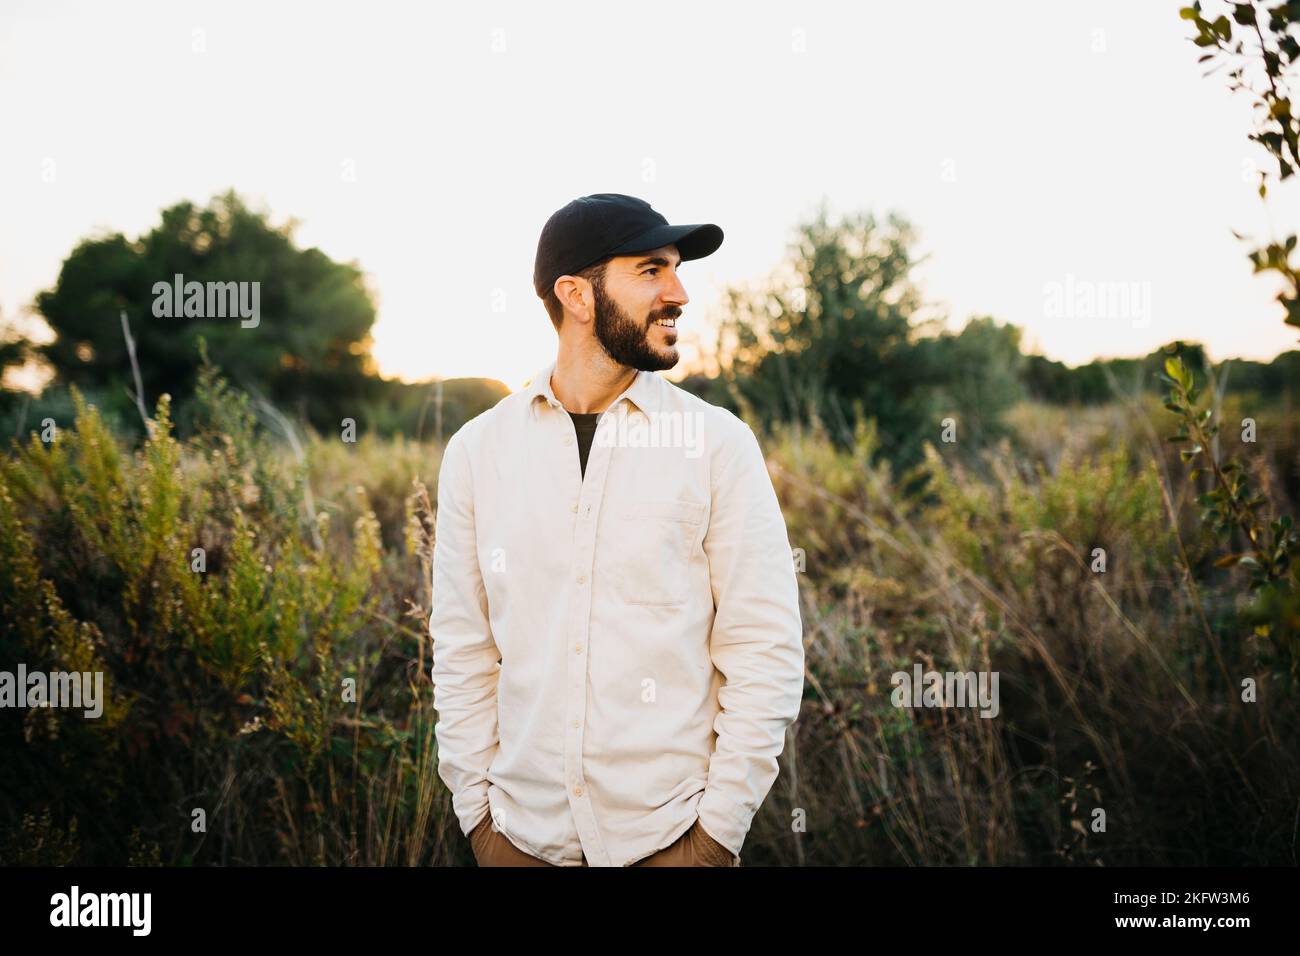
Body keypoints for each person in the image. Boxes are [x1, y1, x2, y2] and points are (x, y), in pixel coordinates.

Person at [429, 193, 805, 867]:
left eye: (677, 269)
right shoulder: (476, 453)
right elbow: (463, 652)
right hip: (521, 840)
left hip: (669, 838)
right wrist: (481, 827)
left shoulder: (718, 445)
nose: (680, 292)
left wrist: (714, 839)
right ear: (576, 294)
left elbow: (763, 650)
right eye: (652, 270)